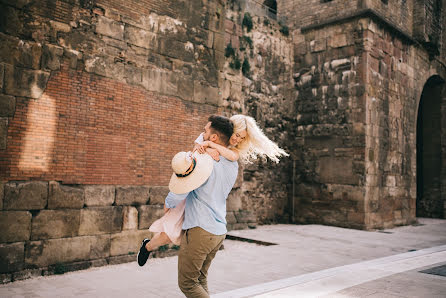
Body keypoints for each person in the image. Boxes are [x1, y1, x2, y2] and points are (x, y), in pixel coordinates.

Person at [137, 114, 288, 263]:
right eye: (236, 135)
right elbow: (197, 148)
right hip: (191, 190)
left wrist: (212, 146)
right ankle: (148, 247)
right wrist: (204, 147)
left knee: (174, 232)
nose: (237, 139)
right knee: (170, 229)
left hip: (201, 204)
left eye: (242, 138)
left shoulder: (232, 153)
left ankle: (148, 246)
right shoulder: (209, 134)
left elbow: (232, 156)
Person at [138, 115, 238, 297]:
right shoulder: (232, 163)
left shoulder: (203, 162)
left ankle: (147, 248)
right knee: (200, 279)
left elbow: (182, 190)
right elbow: (208, 142)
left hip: (201, 229)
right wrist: (208, 145)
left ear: (214, 138)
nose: (202, 132)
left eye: (206, 130)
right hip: (219, 231)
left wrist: (168, 204)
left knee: (188, 284)